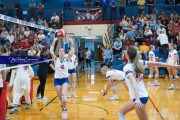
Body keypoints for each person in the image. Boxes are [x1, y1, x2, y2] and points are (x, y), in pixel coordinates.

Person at [117, 45, 180, 120]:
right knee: (121, 113)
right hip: (141, 96)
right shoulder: (140, 62)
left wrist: (137, 99)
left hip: (139, 98)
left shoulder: (127, 67)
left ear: (127, 55)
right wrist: (173, 66)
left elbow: (134, 83)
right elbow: (158, 64)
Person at [50, 36, 74, 119]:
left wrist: (71, 42)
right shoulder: (55, 59)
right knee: (60, 99)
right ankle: (63, 110)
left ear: (64, 53)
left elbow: (72, 51)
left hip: (64, 80)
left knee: (64, 95)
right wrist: (54, 42)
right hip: (57, 80)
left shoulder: (67, 59)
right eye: (60, 51)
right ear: (58, 53)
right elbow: (51, 51)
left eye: (62, 51)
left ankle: (65, 110)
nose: (61, 52)